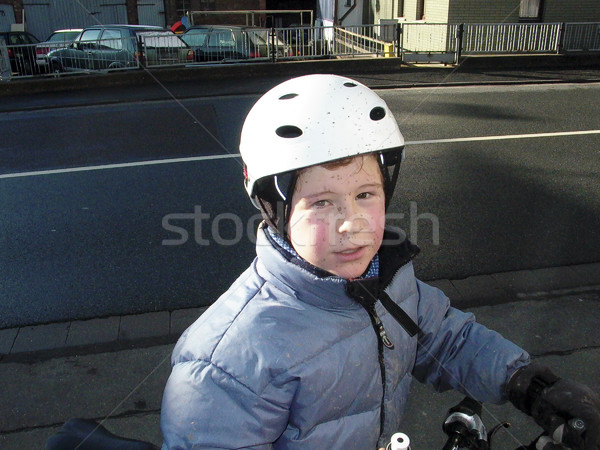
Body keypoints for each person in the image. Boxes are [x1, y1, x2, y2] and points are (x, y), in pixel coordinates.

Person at [160, 74, 600, 449]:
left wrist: (531, 385)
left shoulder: (387, 280)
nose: (351, 224)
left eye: (365, 195)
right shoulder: (226, 366)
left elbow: (444, 338)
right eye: (321, 202)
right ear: (273, 210)